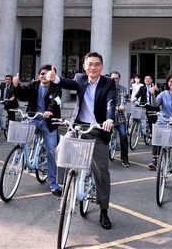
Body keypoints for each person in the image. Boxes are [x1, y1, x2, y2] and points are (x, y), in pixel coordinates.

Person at [47, 52, 116, 230]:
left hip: (98, 129)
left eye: (97, 64)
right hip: (78, 126)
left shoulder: (108, 82)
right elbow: (66, 83)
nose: (93, 67)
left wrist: (109, 120)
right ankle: (64, 185)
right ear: (85, 66)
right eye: (90, 64)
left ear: (102, 66)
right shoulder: (80, 78)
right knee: (61, 149)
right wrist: (55, 79)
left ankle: (103, 210)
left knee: (101, 170)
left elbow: (111, 102)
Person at [12, 65, 62, 196]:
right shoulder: (33, 85)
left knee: (51, 151)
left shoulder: (56, 88)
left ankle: (53, 183)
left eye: (46, 74)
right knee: (20, 130)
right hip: (33, 117)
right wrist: (16, 85)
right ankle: (18, 156)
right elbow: (23, 95)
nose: (43, 76)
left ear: (51, 76)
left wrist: (49, 111)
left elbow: (56, 102)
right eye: (41, 73)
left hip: (48, 121)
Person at [132, 75, 161, 170]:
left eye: (149, 79)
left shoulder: (155, 86)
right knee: (142, 119)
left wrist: (156, 90)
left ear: (151, 80)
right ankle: (144, 131)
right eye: (146, 79)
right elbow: (138, 95)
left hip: (154, 108)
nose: (148, 80)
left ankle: (151, 134)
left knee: (153, 125)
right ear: (144, 81)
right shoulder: (142, 87)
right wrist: (134, 99)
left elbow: (159, 95)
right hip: (145, 106)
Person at [110, 71, 130, 167]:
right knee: (104, 138)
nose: (115, 80)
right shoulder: (107, 89)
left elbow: (123, 100)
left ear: (119, 79)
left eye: (116, 78)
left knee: (123, 137)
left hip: (120, 117)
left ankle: (125, 158)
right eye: (113, 78)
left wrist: (122, 105)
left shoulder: (122, 89)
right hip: (109, 118)